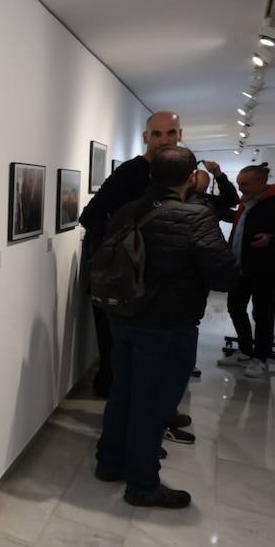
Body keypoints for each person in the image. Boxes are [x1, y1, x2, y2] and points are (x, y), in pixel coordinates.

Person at [94, 147, 238, 508]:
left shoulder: (127, 210)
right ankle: (142, 484)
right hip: (168, 325)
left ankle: (109, 464)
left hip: (123, 318)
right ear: (191, 177)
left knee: (122, 394)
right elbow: (223, 275)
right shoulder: (198, 218)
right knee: (152, 406)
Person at [80, 111, 184, 398]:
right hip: (126, 280)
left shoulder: (178, 174)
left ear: (180, 135)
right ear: (145, 138)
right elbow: (91, 216)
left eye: (170, 133)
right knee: (119, 352)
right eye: (157, 134)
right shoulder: (130, 172)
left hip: (160, 281)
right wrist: (123, 248)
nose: (164, 140)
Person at [215, 164, 275, 378]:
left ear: (261, 183)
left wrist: (271, 238)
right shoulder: (246, 202)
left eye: (244, 184)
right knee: (235, 308)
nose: (240, 189)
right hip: (239, 267)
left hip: (265, 268)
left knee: (262, 313)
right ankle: (246, 350)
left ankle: (260, 357)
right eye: (238, 184)